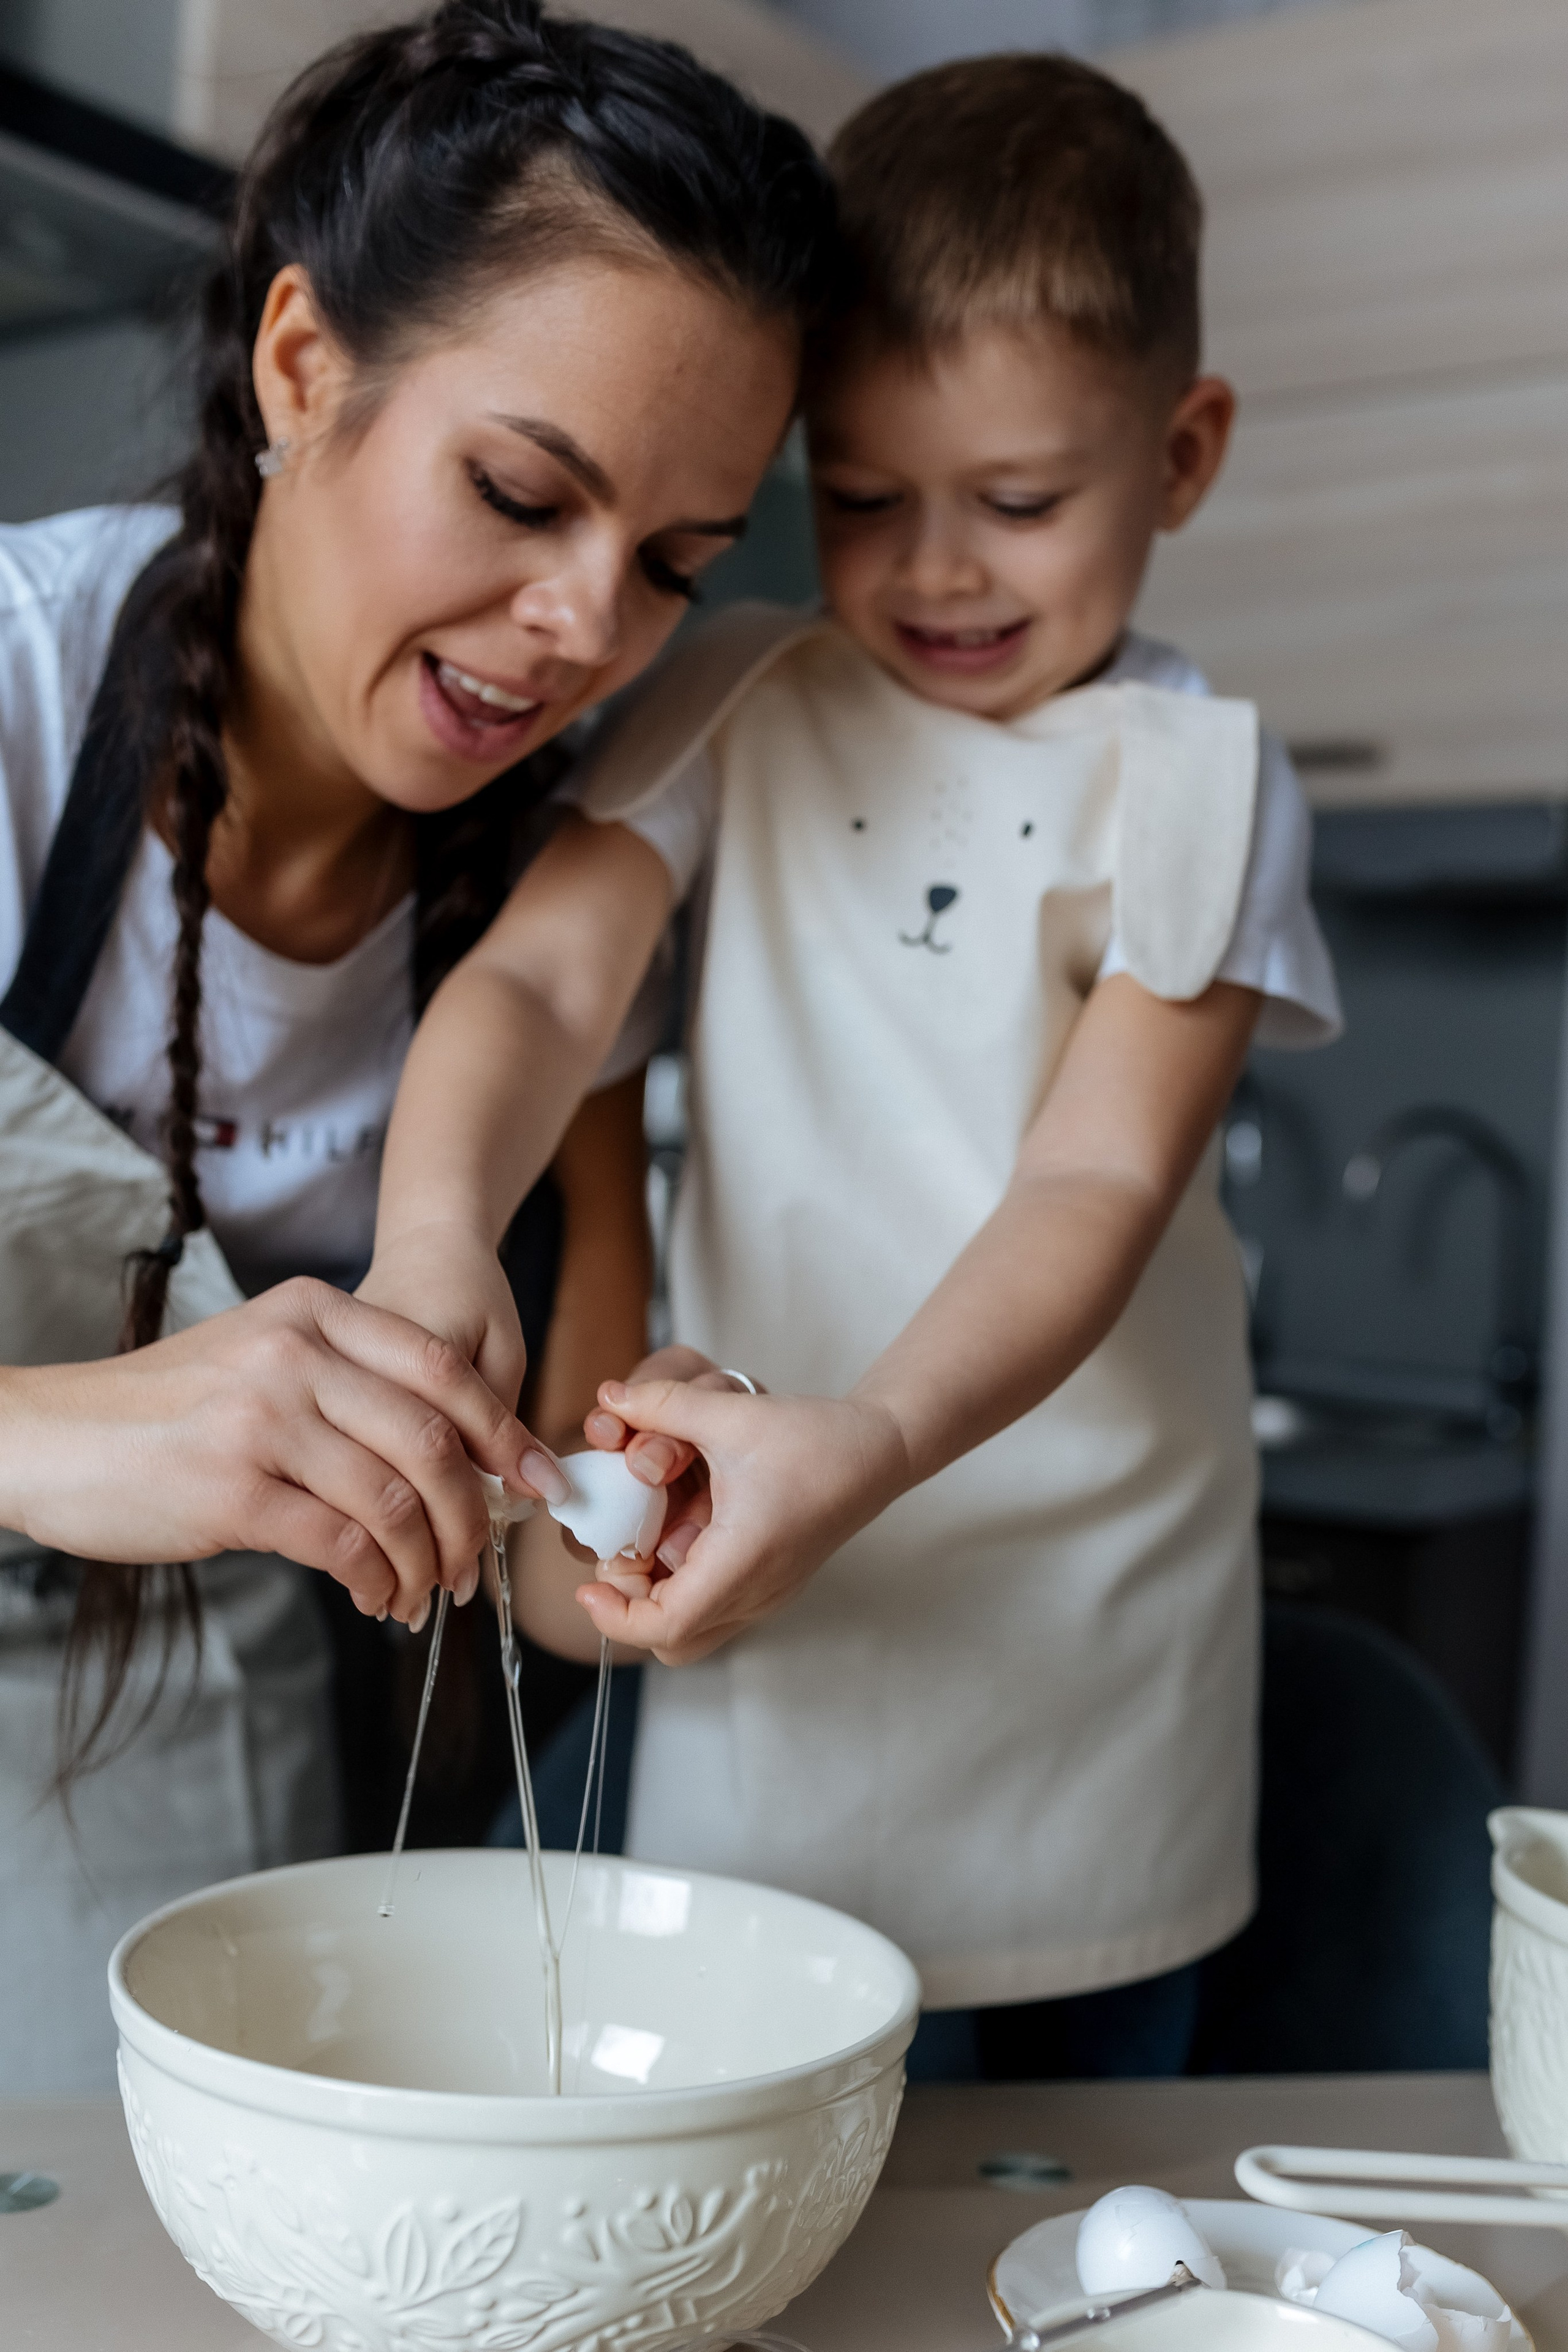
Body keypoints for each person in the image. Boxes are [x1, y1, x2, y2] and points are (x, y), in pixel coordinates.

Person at [362, 54, 1343, 2078]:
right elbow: (544, 993)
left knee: (1069, 2167)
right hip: (770, 1592)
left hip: (1088, 1630)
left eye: (1021, 502)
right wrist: (432, 1238)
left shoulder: (1205, 791)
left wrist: (880, 1437)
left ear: (1185, 451)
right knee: (766, 2098)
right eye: (867, 499)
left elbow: (1093, 1188)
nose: (936, 572)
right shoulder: (740, 694)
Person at [0, 0, 834, 2090]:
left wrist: (644, 1535)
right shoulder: (15, 698)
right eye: (519, 491)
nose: (584, 630)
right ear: (304, 366)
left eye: (670, 566)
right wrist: (56, 1438)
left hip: (184, 1721)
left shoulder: (565, 901)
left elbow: (547, 1591)